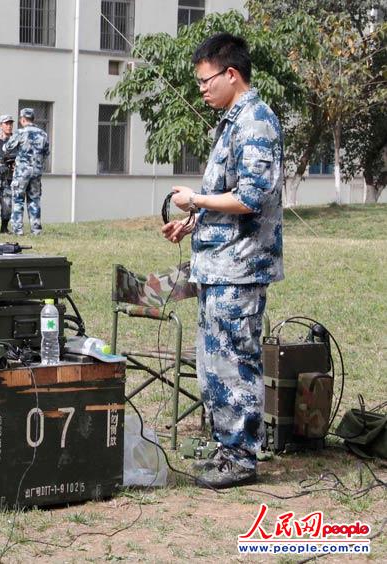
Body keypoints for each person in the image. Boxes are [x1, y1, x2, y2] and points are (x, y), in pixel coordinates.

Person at [161, 33, 284, 489]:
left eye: (206, 80)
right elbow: (228, 197)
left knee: (235, 359)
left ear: (231, 74)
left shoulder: (255, 122)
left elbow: (252, 197)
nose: (202, 89)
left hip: (241, 267)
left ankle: (242, 455)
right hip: (217, 265)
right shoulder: (230, 123)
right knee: (214, 361)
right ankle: (225, 447)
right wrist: (193, 221)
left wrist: (193, 198)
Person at [4, 108, 50, 235]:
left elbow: (7, 147)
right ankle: (36, 230)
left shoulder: (20, 132)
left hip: (22, 172)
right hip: (36, 172)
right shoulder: (43, 134)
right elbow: (46, 153)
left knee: (18, 199)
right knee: (34, 199)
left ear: (22, 119)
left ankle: (17, 230)